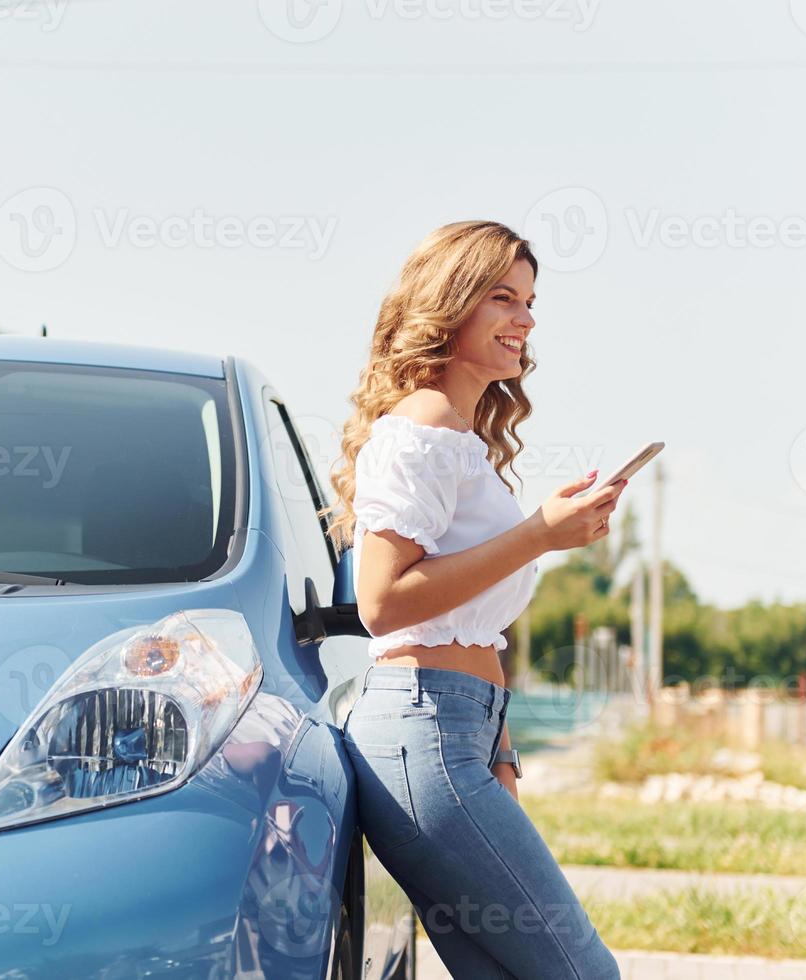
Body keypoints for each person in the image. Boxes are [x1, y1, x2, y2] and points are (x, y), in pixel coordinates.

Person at [327, 220, 623, 978]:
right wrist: (540, 535)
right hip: (423, 730)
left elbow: (475, 634)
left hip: (456, 734)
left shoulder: (460, 440)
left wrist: (502, 755)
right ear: (450, 305)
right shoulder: (419, 430)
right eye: (503, 298)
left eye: (530, 302)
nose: (525, 320)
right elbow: (383, 603)